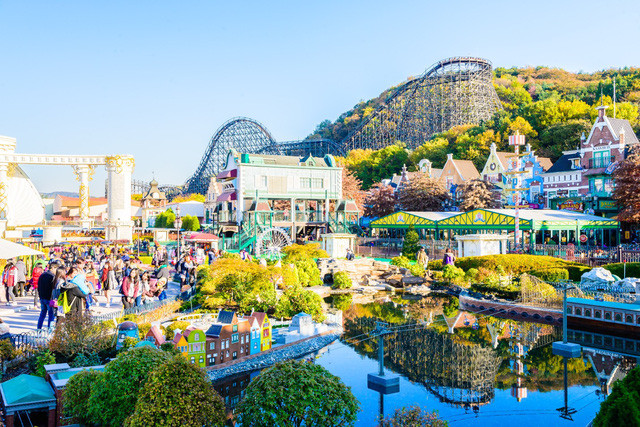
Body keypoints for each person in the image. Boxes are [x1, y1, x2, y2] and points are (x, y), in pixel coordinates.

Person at [37, 263, 59, 329]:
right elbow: (53, 289)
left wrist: (40, 296)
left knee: (42, 314)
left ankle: (39, 329)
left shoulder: (42, 275)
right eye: (56, 269)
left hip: (42, 297)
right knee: (51, 315)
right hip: (49, 298)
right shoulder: (52, 277)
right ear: (52, 268)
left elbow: (39, 287)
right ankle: (50, 330)